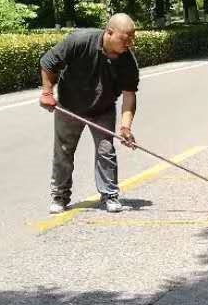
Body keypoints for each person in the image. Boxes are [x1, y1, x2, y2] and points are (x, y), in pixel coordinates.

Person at [39, 15, 139, 215]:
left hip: (103, 108)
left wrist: (126, 127)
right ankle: (60, 197)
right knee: (64, 152)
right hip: (69, 106)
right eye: (124, 38)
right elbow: (48, 62)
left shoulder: (127, 60)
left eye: (132, 39)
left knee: (106, 150)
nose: (129, 43)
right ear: (109, 33)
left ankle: (110, 195)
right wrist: (48, 93)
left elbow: (129, 96)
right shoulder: (80, 41)